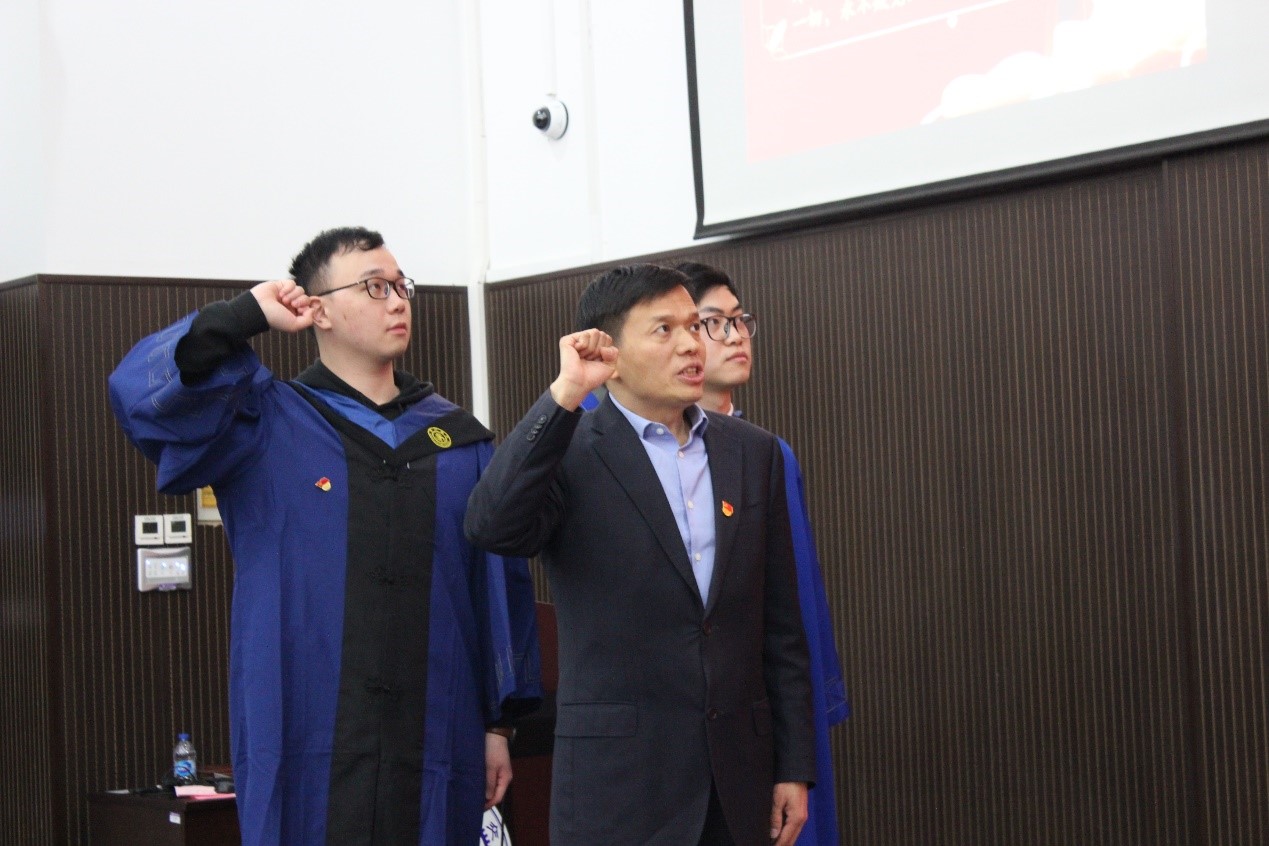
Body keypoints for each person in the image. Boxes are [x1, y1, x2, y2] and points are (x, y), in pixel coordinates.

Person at [109, 227, 541, 846]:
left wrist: (498, 727)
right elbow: (144, 397)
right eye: (374, 287)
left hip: (434, 731)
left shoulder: (458, 441)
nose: (397, 301)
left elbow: (494, 586)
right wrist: (242, 316)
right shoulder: (263, 423)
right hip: (302, 728)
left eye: (401, 286)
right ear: (319, 311)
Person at [464, 263, 817, 845]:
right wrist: (565, 394)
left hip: (738, 779)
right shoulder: (570, 449)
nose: (691, 344)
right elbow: (491, 525)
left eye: (694, 326)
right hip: (619, 786)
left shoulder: (753, 453)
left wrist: (794, 766)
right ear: (612, 353)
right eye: (663, 330)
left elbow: (781, 625)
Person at [676, 261, 850, 846]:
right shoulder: (632, 452)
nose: (736, 336)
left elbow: (796, 600)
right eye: (714, 323)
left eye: (739, 320)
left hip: (771, 694)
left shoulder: (769, 454)